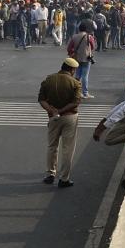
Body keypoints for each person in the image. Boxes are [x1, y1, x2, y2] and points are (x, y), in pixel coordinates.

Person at [38, 58, 83, 187]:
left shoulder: (49, 79)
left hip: (53, 118)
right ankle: (64, 179)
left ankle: (50, 174)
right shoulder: (75, 83)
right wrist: (61, 110)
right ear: (72, 70)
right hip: (70, 117)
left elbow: (41, 99)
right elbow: (76, 102)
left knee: (52, 146)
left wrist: (52, 110)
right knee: (68, 149)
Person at [67, 23, 97, 99]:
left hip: (76, 59)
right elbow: (93, 46)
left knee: (77, 75)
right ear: (86, 29)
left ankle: (77, 92)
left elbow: (69, 48)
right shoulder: (89, 36)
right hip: (86, 58)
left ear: (79, 29)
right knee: (85, 76)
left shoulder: (74, 36)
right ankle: (85, 93)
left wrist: (72, 53)